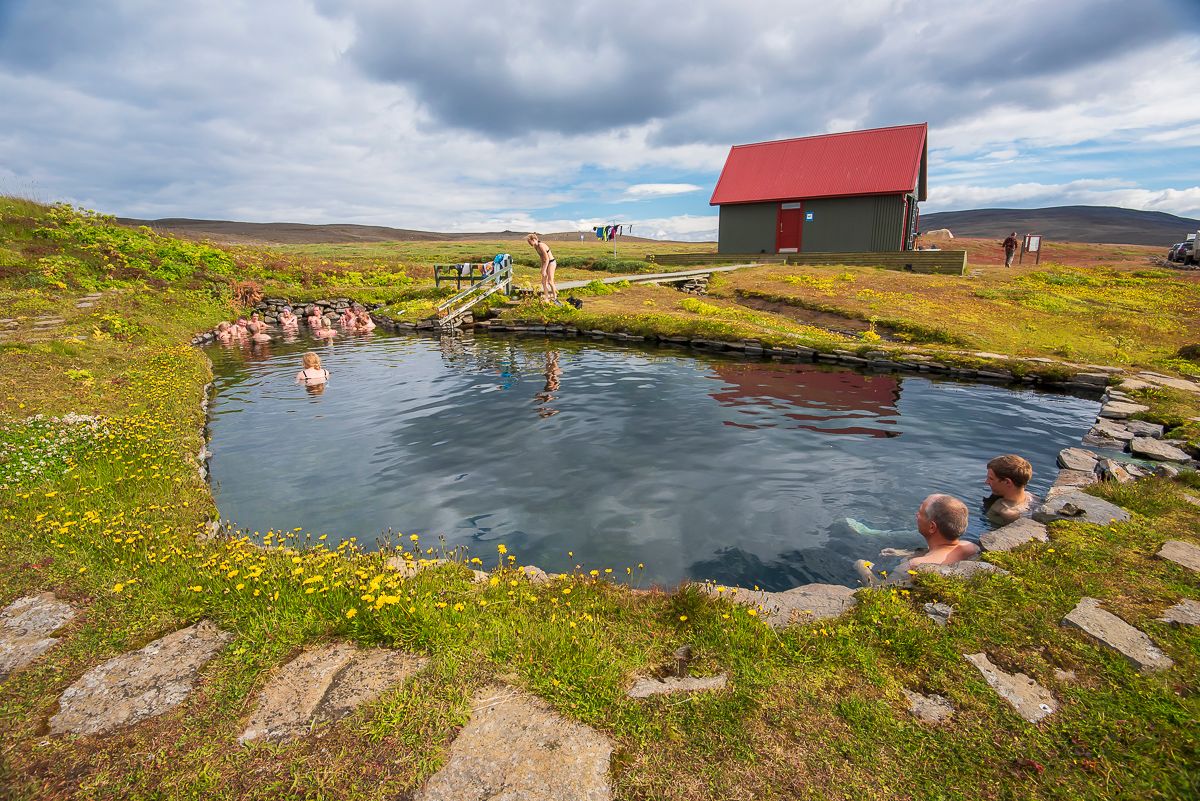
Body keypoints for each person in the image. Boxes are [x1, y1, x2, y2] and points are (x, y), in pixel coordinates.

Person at [854, 494, 977, 585]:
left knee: (860, 563)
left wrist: (863, 568)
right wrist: (904, 553)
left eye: (920, 513)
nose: (916, 515)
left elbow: (880, 592)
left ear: (932, 527)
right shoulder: (971, 547)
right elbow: (939, 553)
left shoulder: (913, 566)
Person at [983, 454, 1035, 525]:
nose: (986, 482)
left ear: (1007, 482)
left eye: (991, 478)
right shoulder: (1032, 498)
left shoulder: (1005, 512)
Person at [527, 232, 558, 303]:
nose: (529, 243)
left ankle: (555, 297)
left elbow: (547, 259)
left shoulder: (541, 245)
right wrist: (542, 268)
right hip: (546, 263)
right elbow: (542, 258)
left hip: (551, 263)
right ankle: (546, 298)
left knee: (550, 281)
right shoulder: (536, 246)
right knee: (543, 282)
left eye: (529, 241)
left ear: (534, 239)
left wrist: (544, 270)